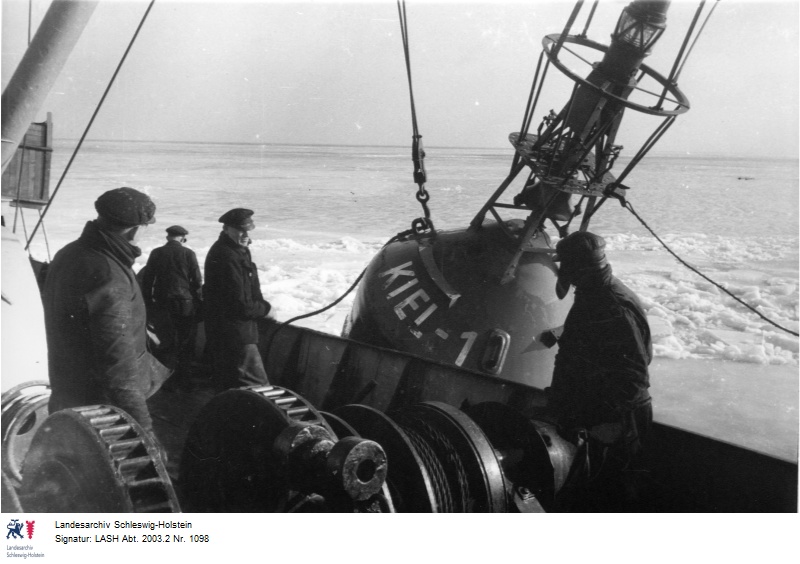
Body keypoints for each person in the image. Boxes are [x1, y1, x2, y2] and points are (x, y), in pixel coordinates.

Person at [43, 187, 171, 434]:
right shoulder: (110, 275)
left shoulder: (69, 253)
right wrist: (144, 429)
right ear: (135, 230)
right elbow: (118, 367)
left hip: (66, 394)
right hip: (101, 414)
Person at [541, 230, 653, 510]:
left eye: (567, 268)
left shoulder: (611, 306)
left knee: (614, 497)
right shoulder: (594, 293)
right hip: (598, 413)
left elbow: (635, 376)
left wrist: (610, 423)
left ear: (578, 269)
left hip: (617, 420)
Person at [203, 208, 272, 391]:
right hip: (236, 332)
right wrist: (266, 309)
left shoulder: (234, 250)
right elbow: (242, 305)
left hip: (224, 329)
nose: (246, 235)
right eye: (241, 231)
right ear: (226, 229)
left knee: (227, 382)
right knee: (258, 386)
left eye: (248, 231)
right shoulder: (229, 256)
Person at [141, 225, 203, 381]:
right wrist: (198, 302)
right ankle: (184, 379)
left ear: (168, 237)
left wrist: (148, 303)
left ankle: (165, 379)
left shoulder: (156, 253)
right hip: (185, 303)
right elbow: (197, 281)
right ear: (182, 238)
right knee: (185, 341)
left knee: (165, 341)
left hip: (162, 302)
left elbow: (147, 280)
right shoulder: (189, 253)